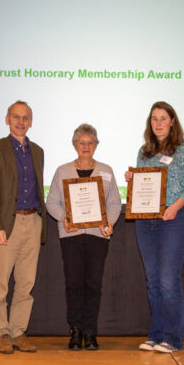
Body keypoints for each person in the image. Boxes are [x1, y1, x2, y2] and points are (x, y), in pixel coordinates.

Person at [125, 101, 184, 353]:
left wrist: (175, 206)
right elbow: (142, 188)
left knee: (169, 280)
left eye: (163, 118)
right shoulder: (144, 152)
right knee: (154, 281)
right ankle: (156, 335)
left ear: (172, 121)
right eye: (154, 118)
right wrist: (132, 180)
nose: (158, 123)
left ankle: (173, 338)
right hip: (146, 222)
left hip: (175, 219)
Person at [46, 124, 122, 351]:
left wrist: (109, 223)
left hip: (98, 236)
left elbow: (115, 203)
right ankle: (75, 331)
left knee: (93, 284)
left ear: (96, 145)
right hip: (71, 236)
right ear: (75, 145)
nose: (86, 147)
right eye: (82, 142)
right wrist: (64, 219)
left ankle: (90, 332)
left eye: (90, 143)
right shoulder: (62, 171)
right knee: (74, 284)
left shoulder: (106, 170)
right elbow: (52, 202)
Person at [0, 100, 47, 354]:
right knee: (0, 284)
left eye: (25, 118)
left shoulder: (38, 151)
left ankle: (18, 331)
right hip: (5, 226)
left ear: (31, 122)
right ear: (7, 119)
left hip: (32, 222)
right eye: (16, 117)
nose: (21, 122)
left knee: (26, 283)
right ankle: (1, 333)